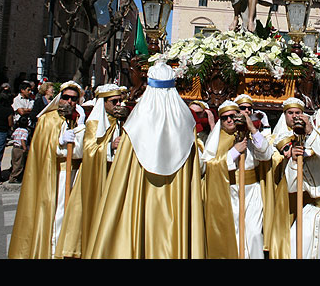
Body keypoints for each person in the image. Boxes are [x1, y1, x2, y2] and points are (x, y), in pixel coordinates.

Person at [83, 62, 205, 259]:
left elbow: (122, 171)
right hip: (176, 203)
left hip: (140, 197)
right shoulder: (185, 120)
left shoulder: (138, 120)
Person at [8, 81, 86, 258]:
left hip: (73, 173)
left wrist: (80, 126)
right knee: (57, 214)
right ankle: (53, 251)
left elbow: (80, 151)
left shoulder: (77, 120)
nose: (69, 102)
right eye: (65, 97)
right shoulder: (48, 120)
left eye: (74, 99)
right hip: (55, 173)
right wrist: (58, 143)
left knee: (69, 215)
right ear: (59, 98)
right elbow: (43, 147)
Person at [55, 84, 129, 259]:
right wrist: (110, 146)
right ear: (103, 102)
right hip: (94, 175)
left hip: (113, 174)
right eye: (114, 101)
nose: (119, 104)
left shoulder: (118, 121)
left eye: (120, 100)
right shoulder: (95, 122)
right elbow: (89, 150)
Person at [200, 99, 273, 258]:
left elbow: (267, 154)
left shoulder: (249, 136)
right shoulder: (217, 140)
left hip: (252, 192)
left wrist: (252, 128)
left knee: (253, 234)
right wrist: (233, 152)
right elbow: (208, 166)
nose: (229, 120)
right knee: (235, 234)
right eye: (225, 118)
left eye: (232, 116)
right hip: (229, 192)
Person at [282, 97, 320, 258]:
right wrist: (293, 161)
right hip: (311, 209)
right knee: (295, 242)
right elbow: (292, 187)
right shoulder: (298, 149)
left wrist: (311, 132)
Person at [8, 115, 29, 183]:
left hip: (14, 147)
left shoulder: (17, 129)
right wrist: (25, 148)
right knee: (19, 164)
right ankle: (14, 177)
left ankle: (12, 176)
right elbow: (23, 140)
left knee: (14, 162)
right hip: (20, 148)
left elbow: (13, 136)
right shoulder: (25, 131)